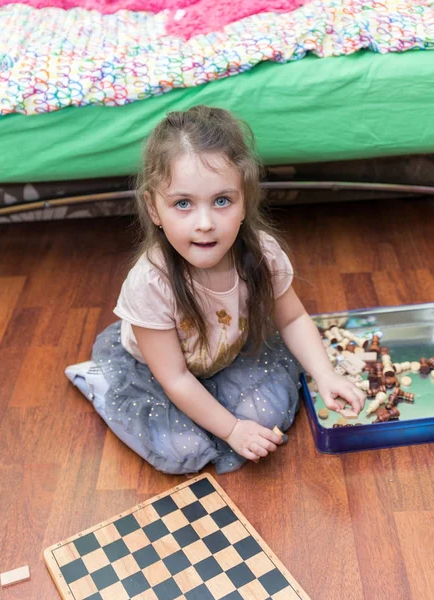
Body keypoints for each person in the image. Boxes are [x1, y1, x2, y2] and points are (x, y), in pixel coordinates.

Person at [65, 105, 365, 475]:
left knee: (268, 415)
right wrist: (233, 429)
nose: (205, 223)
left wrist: (326, 375)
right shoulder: (150, 284)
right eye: (183, 204)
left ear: (244, 201)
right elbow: (174, 378)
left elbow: (293, 318)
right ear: (154, 209)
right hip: (158, 369)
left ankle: (222, 407)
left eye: (222, 201)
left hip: (223, 352)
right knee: (182, 452)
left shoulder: (262, 254)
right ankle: (97, 381)